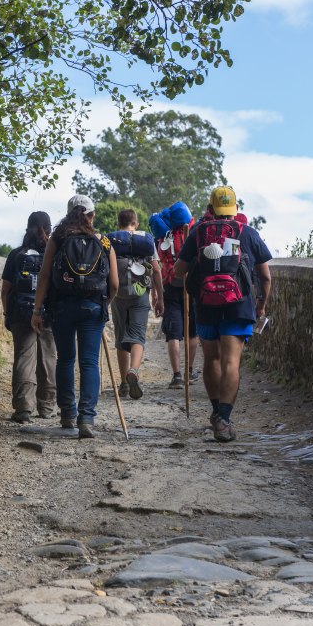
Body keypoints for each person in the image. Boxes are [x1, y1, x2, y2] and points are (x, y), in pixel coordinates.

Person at [174, 186, 271, 442]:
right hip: (239, 305)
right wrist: (261, 304)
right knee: (231, 362)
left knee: (212, 360)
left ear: (212, 208)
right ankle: (225, 420)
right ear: (234, 208)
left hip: (206, 305)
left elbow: (178, 270)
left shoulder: (197, 232)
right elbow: (266, 276)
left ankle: (216, 411)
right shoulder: (248, 233)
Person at [31, 195, 119, 438]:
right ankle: (87, 419)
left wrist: (37, 310)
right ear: (92, 215)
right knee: (89, 362)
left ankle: (68, 413)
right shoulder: (103, 241)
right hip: (93, 307)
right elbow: (114, 284)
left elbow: (45, 275)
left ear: (69, 213)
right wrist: (104, 306)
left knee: (65, 359)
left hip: (62, 307)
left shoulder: (58, 238)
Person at [1, 211, 56, 423]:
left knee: (24, 358)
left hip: (21, 314)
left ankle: (23, 408)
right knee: (48, 358)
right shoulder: (52, 255)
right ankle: (47, 406)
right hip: (47, 314)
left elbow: (5, 290)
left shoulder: (16, 255)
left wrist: (8, 313)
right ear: (49, 229)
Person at [107, 209, 164, 399]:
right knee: (138, 335)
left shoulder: (113, 241)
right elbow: (155, 270)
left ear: (118, 224)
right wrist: (159, 297)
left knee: (121, 337)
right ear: (136, 223)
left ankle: (123, 383)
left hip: (118, 294)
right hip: (140, 293)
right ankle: (134, 370)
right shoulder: (145, 240)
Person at [150, 202, 198, 389]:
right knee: (192, 332)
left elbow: (157, 266)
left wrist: (156, 294)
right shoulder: (192, 232)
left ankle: (177, 375)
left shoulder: (162, 237)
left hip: (170, 285)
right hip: (192, 286)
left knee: (173, 333)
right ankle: (190, 371)